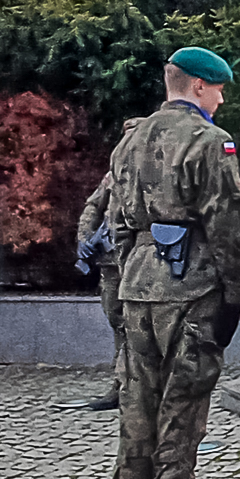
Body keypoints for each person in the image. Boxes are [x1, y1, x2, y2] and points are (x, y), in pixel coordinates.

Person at [106, 47, 240, 479]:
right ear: (197, 86)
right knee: (182, 406)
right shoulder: (210, 141)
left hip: (138, 284)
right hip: (192, 287)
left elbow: (119, 224)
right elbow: (226, 223)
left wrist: (131, 274)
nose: (221, 99)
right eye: (218, 89)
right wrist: (235, 291)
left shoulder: (129, 141)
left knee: (137, 406)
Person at [75, 118, 143, 411]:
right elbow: (93, 206)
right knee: (118, 323)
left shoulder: (151, 173)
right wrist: (85, 237)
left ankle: (135, 385)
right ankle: (120, 384)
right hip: (110, 262)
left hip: (137, 262)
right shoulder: (113, 175)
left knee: (138, 326)